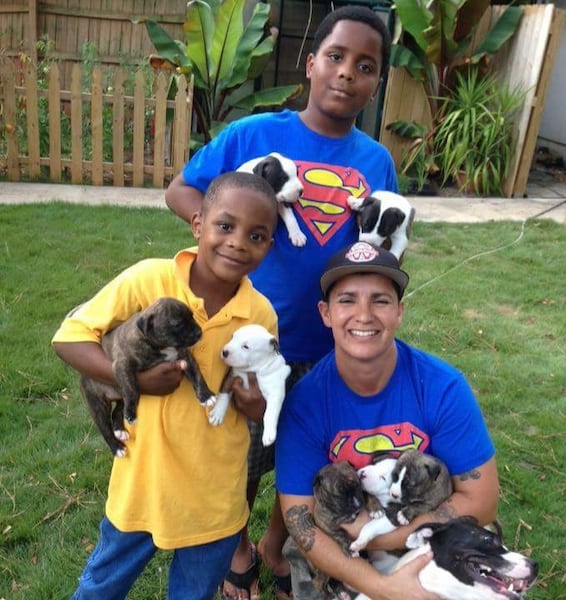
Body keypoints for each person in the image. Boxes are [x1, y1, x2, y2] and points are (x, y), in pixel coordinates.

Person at [164, 6, 397, 599]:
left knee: (308, 451)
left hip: (327, 344)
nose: (347, 74)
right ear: (311, 61)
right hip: (248, 336)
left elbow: (382, 245)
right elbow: (182, 188)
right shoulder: (254, 135)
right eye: (337, 57)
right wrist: (221, 235)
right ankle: (238, 545)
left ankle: (275, 541)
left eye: (365, 66)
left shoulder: (376, 162)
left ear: (375, 82)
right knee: (240, 452)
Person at [52, 172, 280, 600]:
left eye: (257, 234)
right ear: (198, 224)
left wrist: (257, 405)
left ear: (269, 246)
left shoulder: (260, 314)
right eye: (225, 226)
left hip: (215, 499)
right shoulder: (148, 280)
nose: (237, 242)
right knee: (100, 589)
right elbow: (69, 338)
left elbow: (264, 392)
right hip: (143, 486)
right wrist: (133, 379)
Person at [275, 241, 500, 600]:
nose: (364, 315)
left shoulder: (442, 387)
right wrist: (382, 587)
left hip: (425, 534)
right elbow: (300, 518)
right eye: (347, 300)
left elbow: (482, 498)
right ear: (325, 313)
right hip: (342, 544)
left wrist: (387, 535)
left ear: (399, 312)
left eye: (380, 300)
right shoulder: (305, 402)